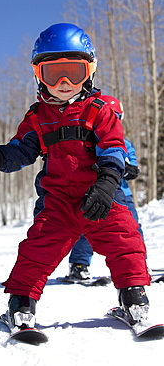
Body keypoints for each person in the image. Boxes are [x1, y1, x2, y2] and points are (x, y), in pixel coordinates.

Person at [0, 23, 151, 331]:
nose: (65, 82)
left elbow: (113, 148)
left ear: (90, 71)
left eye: (74, 71)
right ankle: (21, 305)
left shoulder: (100, 111)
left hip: (100, 198)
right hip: (57, 203)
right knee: (37, 250)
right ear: (38, 75)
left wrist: (108, 183)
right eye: (54, 74)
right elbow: (20, 151)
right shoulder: (37, 117)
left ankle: (134, 299)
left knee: (125, 238)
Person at [68, 95, 144, 281]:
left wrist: (125, 168)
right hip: (94, 191)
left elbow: (133, 167)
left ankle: (138, 265)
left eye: (116, 117)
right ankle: (79, 264)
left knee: (132, 228)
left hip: (121, 194)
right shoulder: (86, 139)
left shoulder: (127, 144)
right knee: (87, 226)